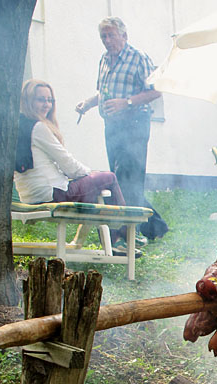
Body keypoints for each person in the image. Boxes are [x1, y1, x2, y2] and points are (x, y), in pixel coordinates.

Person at [14, 79, 138, 255]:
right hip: (51, 193)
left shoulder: (19, 125)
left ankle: (105, 240)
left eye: (50, 100)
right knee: (108, 177)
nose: (46, 105)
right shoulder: (39, 127)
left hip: (29, 194)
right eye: (40, 99)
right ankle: (123, 235)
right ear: (27, 101)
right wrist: (91, 174)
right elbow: (69, 166)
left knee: (93, 187)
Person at [75, 16, 168, 241]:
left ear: (124, 36)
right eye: (103, 36)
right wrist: (87, 104)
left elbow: (156, 91)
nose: (107, 40)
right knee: (119, 179)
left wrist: (126, 102)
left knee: (130, 179)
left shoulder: (138, 58)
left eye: (111, 35)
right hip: (112, 127)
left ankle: (133, 232)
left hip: (135, 124)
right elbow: (104, 93)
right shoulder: (104, 60)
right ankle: (155, 228)